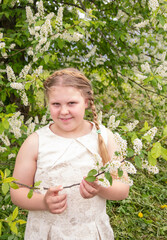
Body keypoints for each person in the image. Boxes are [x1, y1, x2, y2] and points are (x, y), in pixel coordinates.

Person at [10, 68, 129, 240]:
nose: (63, 111)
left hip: (90, 232)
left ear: (86, 101)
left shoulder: (104, 137)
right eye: (56, 104)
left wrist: (101, 188)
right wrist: (43, 202)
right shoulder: (35, 142)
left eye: (72, 103)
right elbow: (17, 191)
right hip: (48, 232)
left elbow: (122, 189)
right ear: (48, 104)